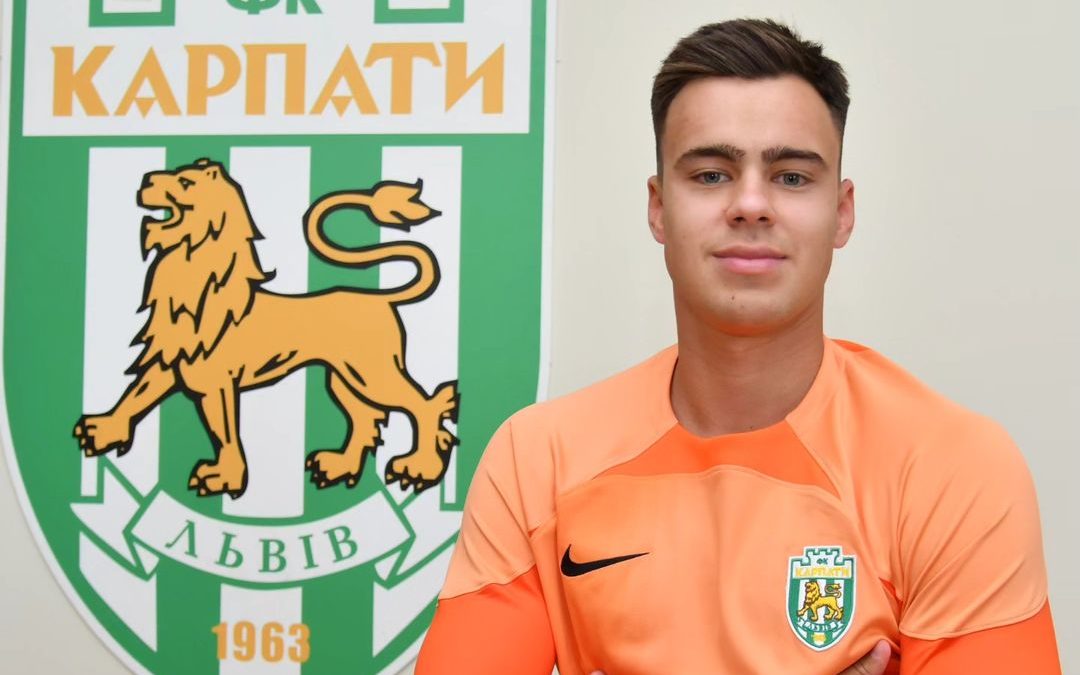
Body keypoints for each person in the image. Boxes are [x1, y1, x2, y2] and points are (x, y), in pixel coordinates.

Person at [415, 19, 1061, 674]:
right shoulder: (539, 462)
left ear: (842, 213)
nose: (751, 204)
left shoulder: (950, 468)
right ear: (658, 207)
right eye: (711, 174)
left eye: (791, 177)